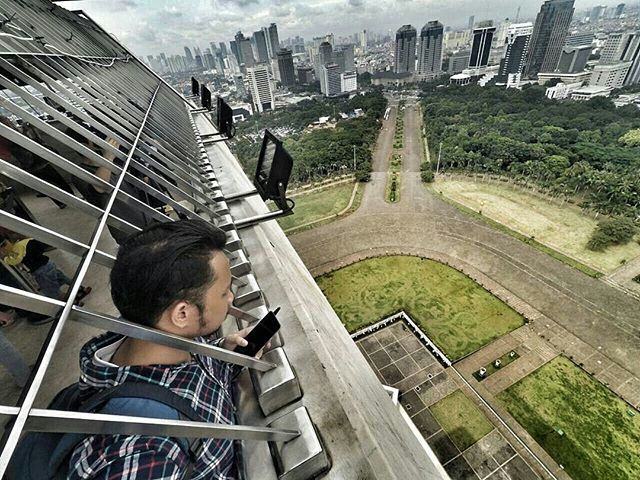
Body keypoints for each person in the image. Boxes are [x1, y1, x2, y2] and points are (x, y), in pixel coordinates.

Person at [68, 219, 255, 479]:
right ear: (182, 313)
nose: (231, 298)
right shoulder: (144, 448)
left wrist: (223, 352)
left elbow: (190, 384)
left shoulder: (158, 337)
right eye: (224, 293)